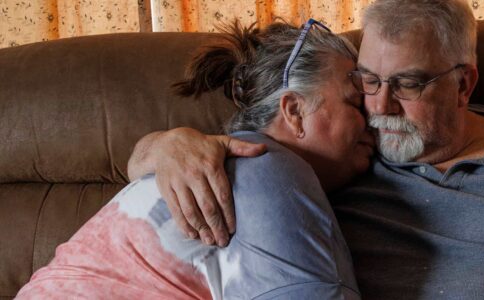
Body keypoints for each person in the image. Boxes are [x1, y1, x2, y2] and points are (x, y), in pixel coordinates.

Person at [128, 0, 484, 299]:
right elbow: (250, 148)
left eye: (409, 84)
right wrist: (164, 145)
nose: (381, 106)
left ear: (464, 85)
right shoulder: (346, 155)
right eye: (368, 81)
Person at [17, 20, 369, 299]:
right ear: (294, 110)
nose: (373, 118)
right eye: (355, 103)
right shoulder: (270, 166)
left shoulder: (208, 158)